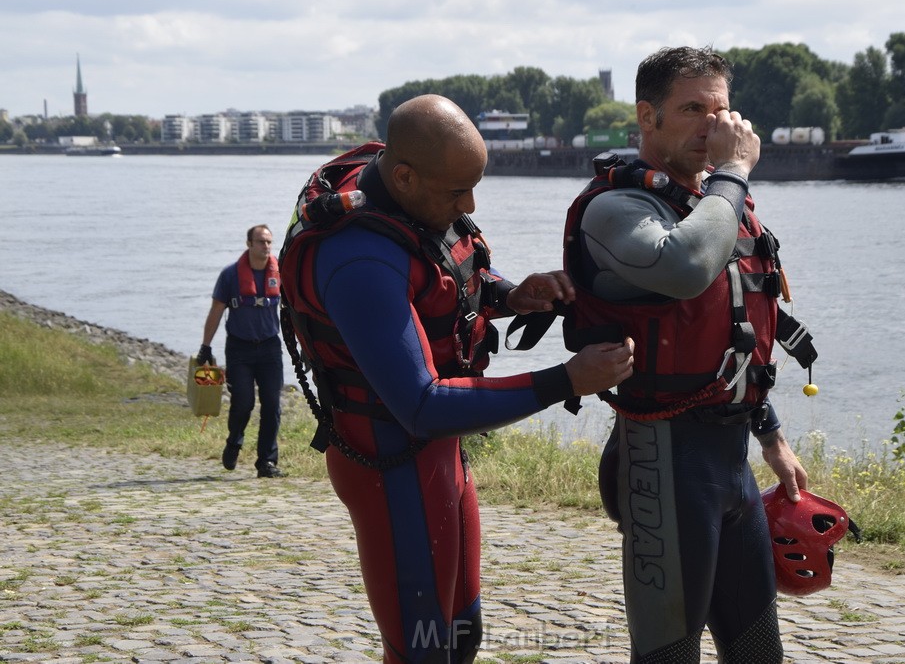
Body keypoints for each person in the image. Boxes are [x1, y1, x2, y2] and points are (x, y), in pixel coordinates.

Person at [278, 94, 635, 663]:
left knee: (462, 636)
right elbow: (421, 404)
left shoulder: (411, 198)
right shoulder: (359, 259)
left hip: (437, 458)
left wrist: (510, 295)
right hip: (389, 465)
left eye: (474, 187)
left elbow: (443, 276)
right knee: (422, 650)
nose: (468, 204)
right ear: (403, 175)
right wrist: (566, 380)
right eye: (456, 192)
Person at [562, 46, 811, 662]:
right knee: (669, 654)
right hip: (662, 461)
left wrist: (771, 435)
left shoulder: (721, 206)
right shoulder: (616, 208)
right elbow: (687, 266)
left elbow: (739, 334)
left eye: (721, 110)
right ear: (647, 118)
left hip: (730, 464)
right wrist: (733, 172)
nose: (712, 125)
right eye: (692, 109)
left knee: (758, 652)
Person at [197, 224, 286, 479]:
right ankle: (234, 442)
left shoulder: (280, 273)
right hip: (240, 349)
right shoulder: (230, 276)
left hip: (269, 347)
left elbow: (293, 310)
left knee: (272, 405)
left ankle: (266, 462)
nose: (266, 246)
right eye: (260, 242)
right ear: (249, 244)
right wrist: (206, 346)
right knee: (243, 402)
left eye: (269, 242)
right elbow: (216, 312)